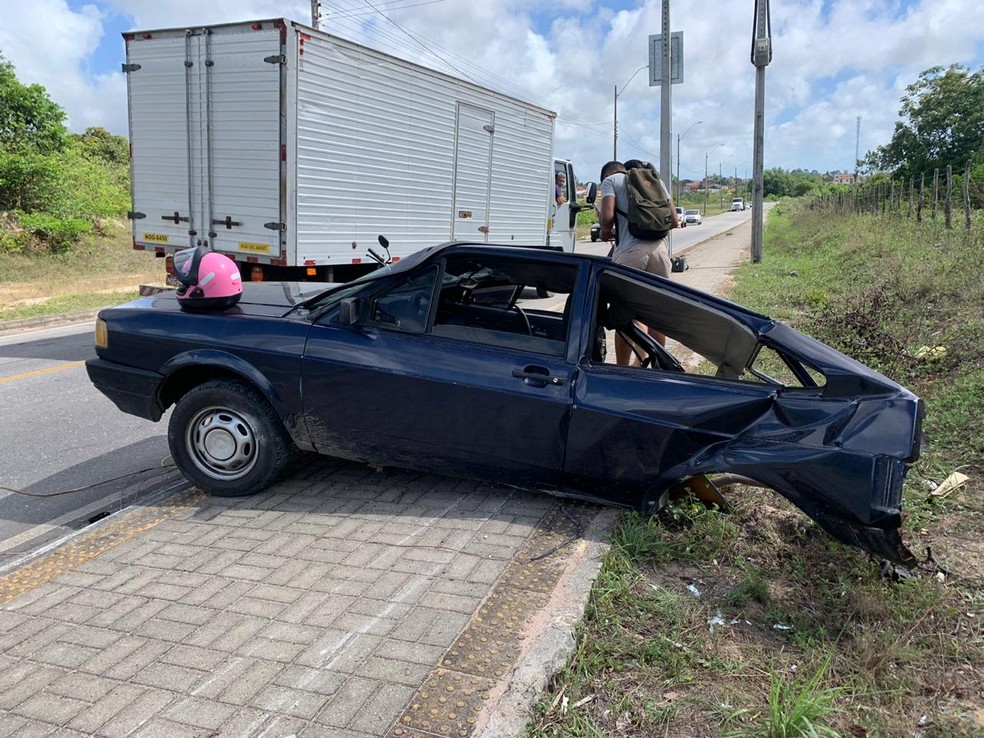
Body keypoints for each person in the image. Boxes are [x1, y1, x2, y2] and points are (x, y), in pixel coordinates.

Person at [598, 159, 680, 365]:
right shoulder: (654, 181)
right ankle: (660, 367)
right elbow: (675, 220)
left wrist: (605, 232)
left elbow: (607, 218)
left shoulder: (611, 181)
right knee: (656, 317)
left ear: (608, 174)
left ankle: (623, 370)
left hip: (630, 255)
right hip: (660, 253)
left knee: (623, 317)